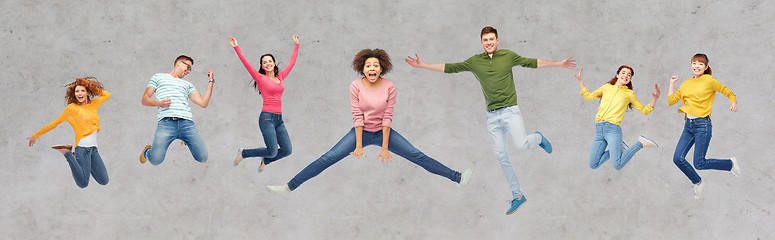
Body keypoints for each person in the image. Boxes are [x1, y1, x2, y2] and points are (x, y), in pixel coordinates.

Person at [405, 26, 575, 215]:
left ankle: (538, 138)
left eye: (492, 39)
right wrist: (423, 65)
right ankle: (518, 196)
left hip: (510, 111)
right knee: (502, 157)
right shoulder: (475, 61)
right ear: (481, 42)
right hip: (492, 117)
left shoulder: (508, 56)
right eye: (485, 40)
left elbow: (532, 63)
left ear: (497, 40)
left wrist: (559, 63)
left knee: (521, 146)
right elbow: (451, 68)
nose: (489, 42)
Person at [266, 49, 475, 196]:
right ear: (362, 68)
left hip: (384, 132)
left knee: (417, 156)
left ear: (381, 68)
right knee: (327, 158)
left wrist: (385, 148)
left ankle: (458, 178)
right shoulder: (355, 86)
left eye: (376, 65)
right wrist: (357, 145)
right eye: (368, 65)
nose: (372, 68)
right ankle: (289, 187)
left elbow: (387, 117)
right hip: (361, 131)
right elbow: (357, 116)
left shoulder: (390, 86)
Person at [667, 53, 739, 200]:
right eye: (694, 63)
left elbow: (727, 91)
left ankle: (730, 164)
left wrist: (733, 102)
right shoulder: (686, 83)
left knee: (699, 163)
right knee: (677, 158)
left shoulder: (708, 80)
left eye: (700, 64)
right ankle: (698, 182)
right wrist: (672, 84)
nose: (697, 66)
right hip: (689, 126)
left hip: (702, 126)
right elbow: (671, 101)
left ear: (706, 67)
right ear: (691, 65)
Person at [229, 35, 299, 173]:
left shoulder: (280, 77)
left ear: (274, 63)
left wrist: (296, 45)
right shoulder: (260, 78)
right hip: (266, 119)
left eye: (270, 61)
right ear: (262, 66)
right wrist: (236, 47)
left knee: (287, 150)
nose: (268, 64)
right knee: (272, 151)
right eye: (264, 62)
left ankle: (265, 161)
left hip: (279, 119)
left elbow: (291, 63)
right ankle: (244, 153)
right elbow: (246, 63)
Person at [27, 77, 111, 188]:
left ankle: (76, 160)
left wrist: (89, 84)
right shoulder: (71, 109)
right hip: (82, 148)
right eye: (77, 91)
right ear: (74, 94)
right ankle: (67, 153)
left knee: (104, 180)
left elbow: (107, 95)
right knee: (83, 183)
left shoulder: (93, 104)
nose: (79, 93)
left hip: (94, 149)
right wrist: (35, 136)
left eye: (82, 90)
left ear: (87, 92)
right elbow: (54, 123)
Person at [574, 65, 660, 171]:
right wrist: (580, 80)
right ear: (617, 75)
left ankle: (640, 144)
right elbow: (588, 96)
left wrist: (655, 99)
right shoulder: (606, 87)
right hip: (599, 130)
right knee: (593, 164)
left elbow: (644, 110)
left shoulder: (629, 94)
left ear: (630, 79)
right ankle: (621, 147)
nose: (626, 76)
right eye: (623, 73)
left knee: (617, 165)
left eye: (629, 75)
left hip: (613, 130)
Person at [138, 55, 215, 165]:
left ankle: (186, 139)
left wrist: (211, 81)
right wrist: (158, 103)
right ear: (179, 63)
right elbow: (144, 99)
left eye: (190, 69)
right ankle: (147, 152)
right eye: (188, 67)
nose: (188, 71)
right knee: (155, 160)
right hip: (166, 123)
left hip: (186, 124)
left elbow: (203, 103)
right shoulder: (158, 77)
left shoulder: (187, 85)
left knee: (202, 157)